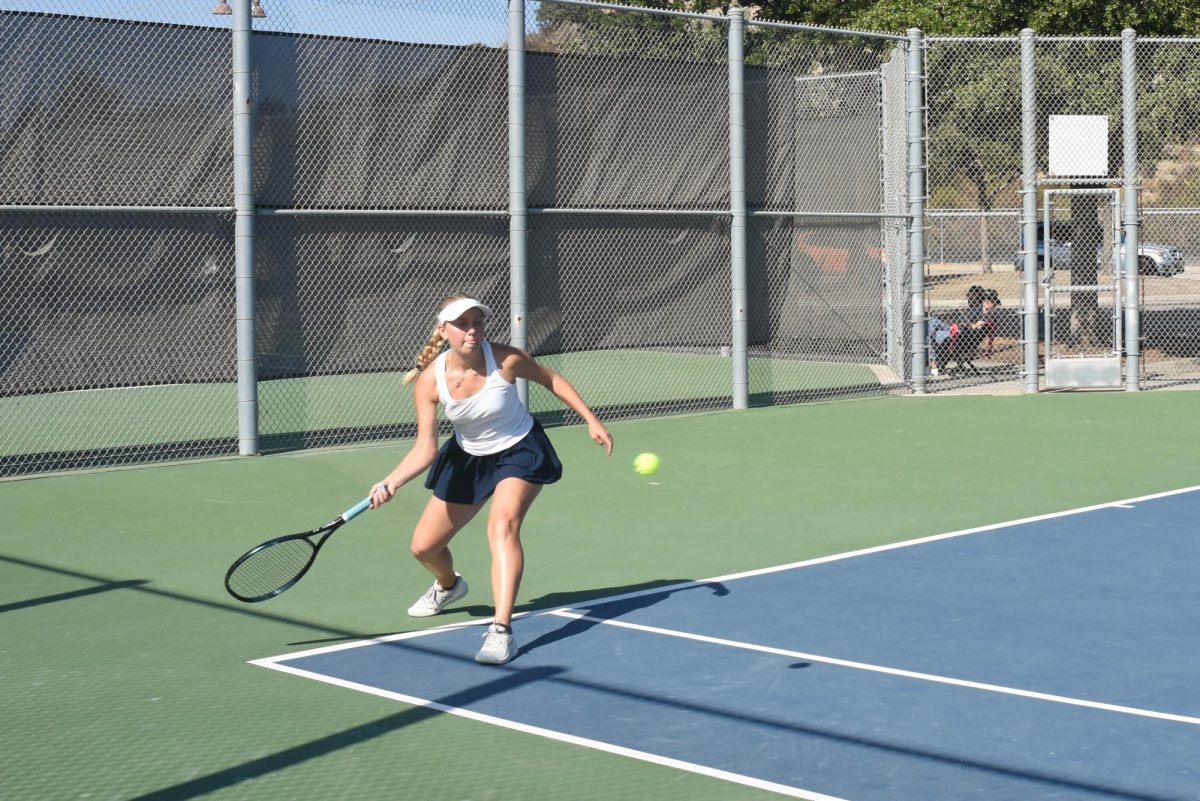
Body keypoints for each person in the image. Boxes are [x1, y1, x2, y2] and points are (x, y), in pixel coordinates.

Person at [368, 294, 613, 665]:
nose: (471, 330)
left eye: (477, 322)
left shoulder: (504, 359)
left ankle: (501, 631)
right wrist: (391, 481)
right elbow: (424, 449)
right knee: (424, 548)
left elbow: (551, 379)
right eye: (462, 324)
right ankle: (449, 586)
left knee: (502, 526)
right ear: (443, 330)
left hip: (519, 450)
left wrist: (591, 420)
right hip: (468, 459)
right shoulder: (430, 382)